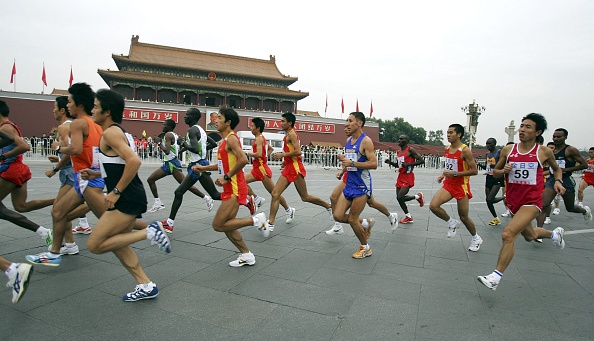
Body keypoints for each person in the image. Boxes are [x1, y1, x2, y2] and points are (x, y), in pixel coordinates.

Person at [74, 89, 170, 301]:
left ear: (107, 111)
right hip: (129, 195)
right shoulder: (117, 132)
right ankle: (145, 285)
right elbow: (118, 164)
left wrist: (116, 192)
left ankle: (151, 232)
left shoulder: (111, 133)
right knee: (117, 242)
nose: (92, 110)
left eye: (96, 106)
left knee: (95, 245)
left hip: (127, 197)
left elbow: (134, 161)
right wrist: (96, 173)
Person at [478, 113, 567, 290]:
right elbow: (495, 172)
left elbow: (557, 170)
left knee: (508, 234)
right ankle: (554, 235)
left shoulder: (543, 151)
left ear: (537, 132)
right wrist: (503, 169)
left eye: (528, 127)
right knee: (530, 236)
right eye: (522, 126)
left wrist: (558, 181)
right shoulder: (508, 150)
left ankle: (495, 277)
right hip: (513, 201)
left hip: (532, 202)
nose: (522, 130)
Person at [192, 108, 265, 267]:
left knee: (218, 225)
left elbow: (244, 159)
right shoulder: (224, 142)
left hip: (235, 189)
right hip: (230, 188)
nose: (215, 120)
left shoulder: (232, 139)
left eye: (219, 118)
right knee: (227, 225)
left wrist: (226, 177)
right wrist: (203, 168)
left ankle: (255, 220)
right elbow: (222, 166)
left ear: (228, 122)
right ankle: (247, 254)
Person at [265, 112, 334, 234]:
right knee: (275, 193)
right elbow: (292, 152)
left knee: (305, 197)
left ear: (289, 123)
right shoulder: (287, 134)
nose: (280, 123)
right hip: (289, 167)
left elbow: (298, 151)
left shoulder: (292, 134)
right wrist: (285, 162)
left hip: (296, 168)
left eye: (283, 121)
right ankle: (270, 223)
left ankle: (328, 206)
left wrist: (282, 155)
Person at [161, 108, 224, 233]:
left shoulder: (192, 130)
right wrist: (186, 149)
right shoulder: (200, 130)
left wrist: (183, 143)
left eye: (187, 115)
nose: (184, 117)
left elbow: (195, 149)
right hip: (201, 164)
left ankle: (169, 223)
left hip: (197, 166)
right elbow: (212, 144)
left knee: (179, 192)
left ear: (193, 117)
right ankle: (244, 199)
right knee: (215, 195)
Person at [0, 100, 54, 247]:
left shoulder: (5, 127)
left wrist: (3, 156)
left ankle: (43, 231)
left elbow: (25, 146)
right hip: (18, 169)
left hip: (10, 170)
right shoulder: (9, 126)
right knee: (21, 206)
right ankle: (58, 202)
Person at [44, 96, 91, 254]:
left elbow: (72, 150)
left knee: (58, 211)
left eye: (55, 107)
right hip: (71, 172)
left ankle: (57, 250)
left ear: (62, 110)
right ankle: (70, 245)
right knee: (61, 210)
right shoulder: (73, 125)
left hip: (71, 173)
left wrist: (55, 167)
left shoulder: (66, 127)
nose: (53, 110)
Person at [429, 123, 483, 251]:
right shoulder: (447, 149)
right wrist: (443, 175)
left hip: (461, 186)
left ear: (459, 135)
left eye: (451, 132)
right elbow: (450, 166)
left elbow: (475, 171)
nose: (448, 135)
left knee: (463, 217)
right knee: (433, 206)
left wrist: (455, 174)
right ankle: (451, 222)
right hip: (449, 184)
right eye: (447, 132)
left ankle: (476, 238)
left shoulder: (465, 150)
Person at [331, 112, 378, 258]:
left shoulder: (366, 141)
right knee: (337, 216)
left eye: (350, 121)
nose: (346, 124)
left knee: (352, 219)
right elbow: (351, 161)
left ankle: (365, 247)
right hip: (349, 184)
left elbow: (374, 164)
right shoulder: (349, 141)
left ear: (359, 123)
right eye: (346, 121)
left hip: (361, 186)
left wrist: (352, 163)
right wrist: (343, 169)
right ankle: (365, 222)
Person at [245, 117, 295, 233]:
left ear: (257, 128)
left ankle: (288, 210)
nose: (251, 128)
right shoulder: (260, 138)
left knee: (275, 193)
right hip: (257, 168)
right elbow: (270, 149)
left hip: (262, 170)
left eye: (252, 126)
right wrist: (264, 156)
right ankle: (257, 199)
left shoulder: (259, 139)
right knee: (241, 181)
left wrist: (246, 153)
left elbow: (258, 154)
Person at [146, 119, 207, 213]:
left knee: (186, 185)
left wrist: (158, 143)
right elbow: (177, 149)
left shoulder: (168, 135)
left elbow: (167, 151)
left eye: (164, 124)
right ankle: (158, 203)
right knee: (150, 180)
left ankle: (206, 198)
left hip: (172, 164)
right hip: (168, 163)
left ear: (169, 127)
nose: (162, 126)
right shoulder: (175, 135)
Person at [535, 128, 592, 228]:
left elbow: (584, 165)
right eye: (554, 136)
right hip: (552, 179)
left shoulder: (570, 150)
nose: (556, 139)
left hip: (565, 180)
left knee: (570, 208)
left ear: (565, 137)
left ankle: (585, 211)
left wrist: (566, 169)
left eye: (559, 137)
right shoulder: (550, 151)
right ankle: (538, 230)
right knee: (544, 204)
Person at [325, 169, 397, 235]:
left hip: (356, 179)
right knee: (372, 203)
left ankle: (340, 224)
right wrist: (343, 171)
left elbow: (369, 163)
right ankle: (390, 215)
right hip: (351, 176)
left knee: (334, 198)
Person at [384, 135, 425, 224]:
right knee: (399, 199)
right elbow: (399, 165)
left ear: (406, 141)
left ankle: (418, 197)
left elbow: (422, 161)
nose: (399, 140)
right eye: (399, 138)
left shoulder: (410, 150)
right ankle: (408, 217)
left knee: (400, 197)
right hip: (400, 176)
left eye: (401, 139)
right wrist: (390, 162)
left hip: (408, 176)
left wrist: (409, 164)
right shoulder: (399, 152)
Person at [484, 138, 506, 226]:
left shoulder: (500, 152)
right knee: (488, 200)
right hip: (489, 177)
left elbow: (503, 164)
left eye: (489, 144)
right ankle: (496, 218)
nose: (488, 145)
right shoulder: (487, 154)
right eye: (486, 144)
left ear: (494, 144)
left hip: (497, 177)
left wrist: (496, 166)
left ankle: (504, 197)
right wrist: (479, 164)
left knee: (490, 199)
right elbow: (486, 167)